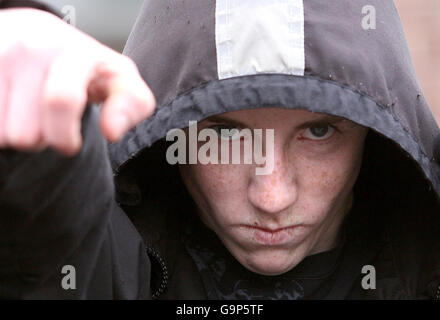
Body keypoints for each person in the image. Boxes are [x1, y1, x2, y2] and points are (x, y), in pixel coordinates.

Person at [0, 0, 439, 300]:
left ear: (377, 133)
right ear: (168, 134)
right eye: (225, 135)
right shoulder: (97, 256)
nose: (272, 198)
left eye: (319, 131)